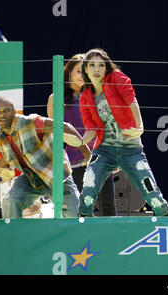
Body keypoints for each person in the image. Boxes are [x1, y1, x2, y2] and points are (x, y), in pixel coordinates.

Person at [77, 48, 168, 217]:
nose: (96, 69)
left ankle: (166, 217)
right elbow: (91, 130)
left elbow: (132, 101)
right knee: (89, 184)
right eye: (92, 65)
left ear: (107, 67)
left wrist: (140, 126)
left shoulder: (116, 77)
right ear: (85, 69)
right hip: (104, 150)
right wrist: (78, 142)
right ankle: (83, 220)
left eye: (101, 65)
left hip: (130, 147)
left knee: (149, 187)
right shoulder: (85, 97)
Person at [0, 96, 85, 218]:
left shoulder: (32, 122)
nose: (2, 115)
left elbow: (65, 126)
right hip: (31, 178)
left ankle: (80, 236)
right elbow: (7, 170)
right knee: (10, 200)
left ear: (14, 112)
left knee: (75, 215)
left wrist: (86, 152)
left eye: (6, 110)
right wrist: (9, 174)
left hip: (55, 175)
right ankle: (14, 235)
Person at [47, 54, 117, 216]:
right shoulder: (56, 98)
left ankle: (111, 240)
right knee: (79, 212)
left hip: (101, 159)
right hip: (74, 165)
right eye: (79, 71)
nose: (83, 76)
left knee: (108, 208)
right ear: (69, 72)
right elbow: (54, 135)